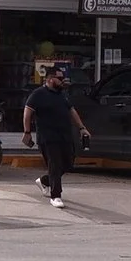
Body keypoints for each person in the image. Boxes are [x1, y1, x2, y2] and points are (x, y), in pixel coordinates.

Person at [23, 62, 88, 208]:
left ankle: (44, 181)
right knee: (55, 165)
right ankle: (56, 195)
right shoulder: (38, 94)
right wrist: (27, 132)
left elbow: (72, 111)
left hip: (65, 135)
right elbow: (27, 112)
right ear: (50, 79)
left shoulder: (62, 95)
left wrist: (82, 128)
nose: (62, 80)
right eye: (60, 78)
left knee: (68, 163)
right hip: (48, 137)